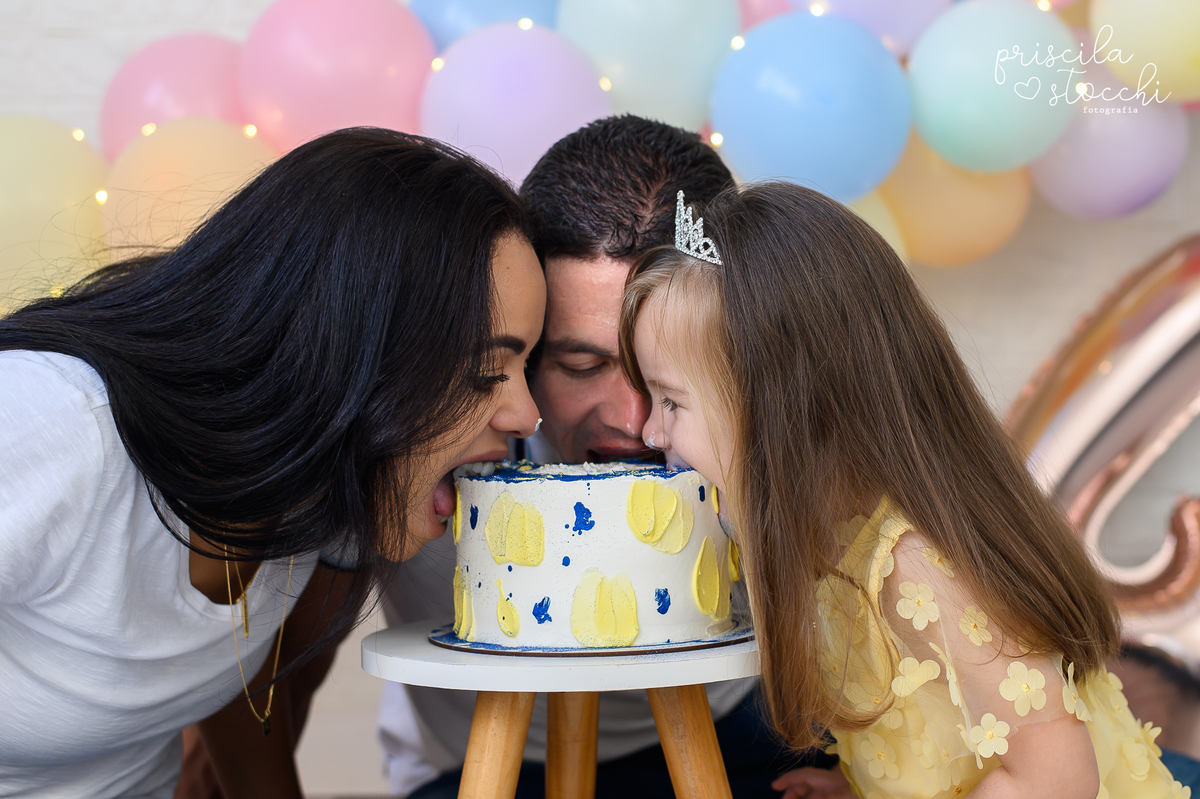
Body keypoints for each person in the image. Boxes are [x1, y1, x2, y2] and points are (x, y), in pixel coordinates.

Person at [0, 128, 544, 798]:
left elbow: (224, 681)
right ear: (356, 347)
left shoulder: (328, 492)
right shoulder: (54, 424)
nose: (526, 416)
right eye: (488, 367)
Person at [619, 181, 1195, 797]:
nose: (648, 430)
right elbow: (935, 729)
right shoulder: (832, 538)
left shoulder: (920, 565)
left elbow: (1054, 778)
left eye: (671, 401)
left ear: (784, 407)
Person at [380, 116, 836, 798]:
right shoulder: (415, 441)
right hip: (481, 761)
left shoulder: (792, 417)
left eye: (669, 368)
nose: (635, 420)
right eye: (582, 362)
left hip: (743, 729)